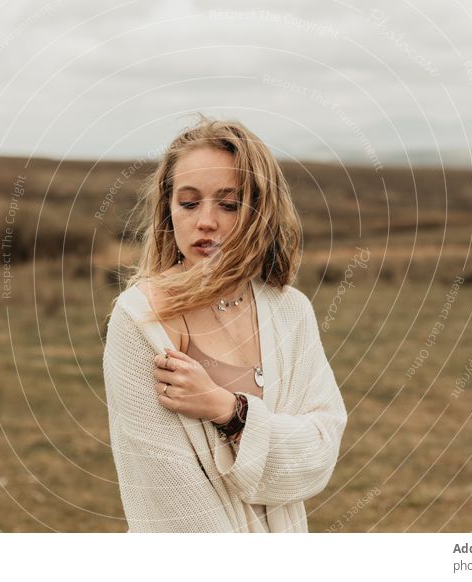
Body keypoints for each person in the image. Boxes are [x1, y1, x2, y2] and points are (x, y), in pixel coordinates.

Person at [102, 115, 347, 532]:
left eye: (229, 204)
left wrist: (228, 411)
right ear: (168, 210)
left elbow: (319, 453)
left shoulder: (291, 311)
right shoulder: (141, 319)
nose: (206, 222)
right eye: (189, 202)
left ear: (259, 212)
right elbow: (167, 496)